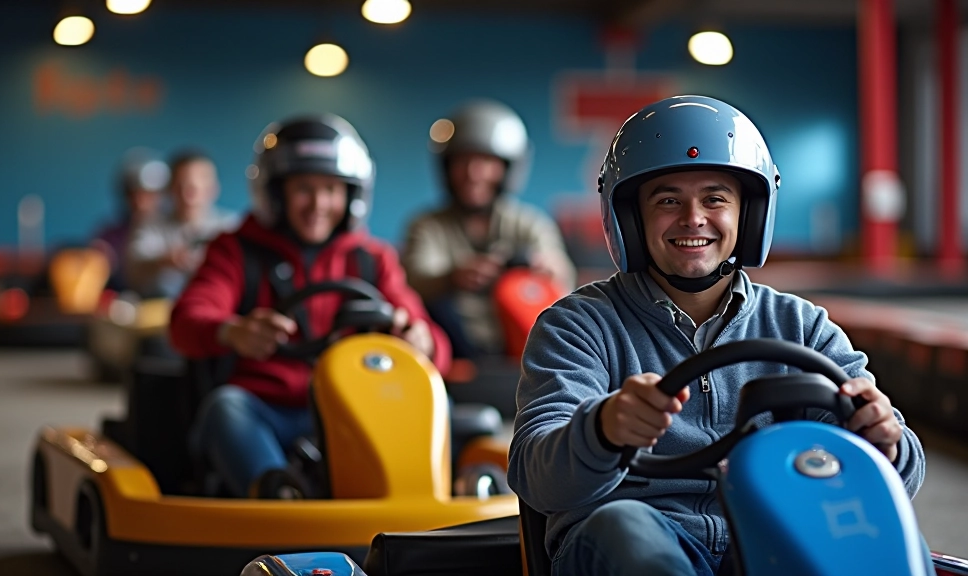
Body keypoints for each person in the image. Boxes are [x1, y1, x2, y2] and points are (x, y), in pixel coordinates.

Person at [506, 95, 929, 575]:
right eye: (668, 200)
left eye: (714, 198)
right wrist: (602, 430)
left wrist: (883, 442)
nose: (693, 218)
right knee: (627, 526)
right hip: (628, 543)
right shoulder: (577, 325)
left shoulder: (802, 327)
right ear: (630, 218)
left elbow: (897, 476)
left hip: (766, 536)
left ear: (748, 213)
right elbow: (536, 475)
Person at [169, 114, 452, 499]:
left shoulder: (373, 259)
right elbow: (186, 321)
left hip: (359, 409)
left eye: (331, 190)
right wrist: (233, 331)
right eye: (304, 189)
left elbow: (435, 346)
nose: (318, 204)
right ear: (276, 193)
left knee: (438, 405)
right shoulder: (235, 250)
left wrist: (421, 341)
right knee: (225, 408)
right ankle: (278, 497)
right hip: (269, 409)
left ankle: (417, 499)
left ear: (350, 196)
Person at [401, 100, 576, 359]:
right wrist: (452, 278)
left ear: (507, 169)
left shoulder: (530, 223)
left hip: (523, 350)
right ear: (447, 168)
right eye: (463, 161)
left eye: (485, 162)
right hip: (454, 354)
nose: (473, 174)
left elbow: (563, 281)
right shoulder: (426, 226)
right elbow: (412, 282)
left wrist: (544, 270)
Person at [127, 150, 238, 297]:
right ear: (170, 188)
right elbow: (133, 271)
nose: (188, 197)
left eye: (194, 189)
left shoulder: (233, 227)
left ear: (213, 188)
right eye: (180, 187)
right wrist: (163, 260)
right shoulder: (149, 225)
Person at [92, 148, 169, 291]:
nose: (140, 202)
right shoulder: (109, 235)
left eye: (148, 195)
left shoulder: (173, 231)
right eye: (133, 195)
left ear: (162, 195)